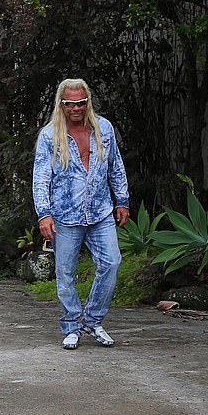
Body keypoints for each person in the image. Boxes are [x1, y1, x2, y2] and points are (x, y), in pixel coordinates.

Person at [32, 78, 130, 350]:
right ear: (61, 105)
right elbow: (41, 177)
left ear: (87, 101)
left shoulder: (104, 129)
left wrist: (122, 200)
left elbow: (116, 166)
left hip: (100, 211)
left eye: (81, 102)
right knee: (65, 274)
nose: (76, 108)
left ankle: (93, 319)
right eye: (70, 104)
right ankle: (71, 325)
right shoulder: (50, 135)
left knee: (111, 263)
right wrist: (44, 214)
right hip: (65, 214)